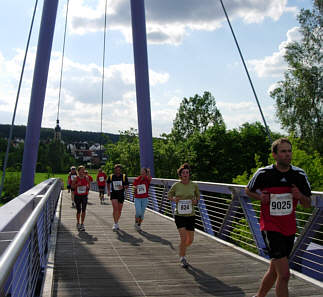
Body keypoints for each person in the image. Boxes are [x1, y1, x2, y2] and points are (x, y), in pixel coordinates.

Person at [245, 138, 311, 297]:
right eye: (283, 151)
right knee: (285, 275)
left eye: (289, 151)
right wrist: (260, 197)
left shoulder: (299, 175)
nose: (287, 154)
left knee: (274, 270)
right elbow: (248, 190)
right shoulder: (263, 173)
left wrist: (299, 195)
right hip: (270, 226)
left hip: (288, 228)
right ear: (274, 155)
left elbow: (308, 204)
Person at [168, 163, 200, 268]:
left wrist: (195, 201)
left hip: (190, 215)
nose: (185, 174)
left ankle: (182, 249)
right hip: (179, 215)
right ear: (180, 175)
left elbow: (198, 197)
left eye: (187, 172)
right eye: (183, 173)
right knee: (183, 237)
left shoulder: (194, 185)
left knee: (190, 240)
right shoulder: (176, 185)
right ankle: (183, 258)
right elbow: (169, 195)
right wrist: (174, 199)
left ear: (189, 174)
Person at [107, 164, 129, 231]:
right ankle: (115, 223)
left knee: (119, 210)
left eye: (119, 170)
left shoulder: (124, 176)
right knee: (115, 209)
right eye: (116, 169)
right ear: (114, 170)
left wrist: (123, 187)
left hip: (121, 194)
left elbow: (127, 185)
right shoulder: (111, 176)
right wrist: (108, 191)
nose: (117, 171)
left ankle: (117, 222)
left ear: (120, 170)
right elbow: (107, 183)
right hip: (114, 194)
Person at [71, 165, 90, 231]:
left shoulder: (86, 178)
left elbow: (88, 186)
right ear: (78, 171)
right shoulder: (76, 178)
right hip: (77, 196)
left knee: (84, 210)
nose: (82, 171)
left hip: (84, 195)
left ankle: (82, 224)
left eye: (83, 170)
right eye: (81, 170)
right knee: (79, 210)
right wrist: (77, 185)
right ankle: (78, 222)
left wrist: (87, 187)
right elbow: (72, 187)